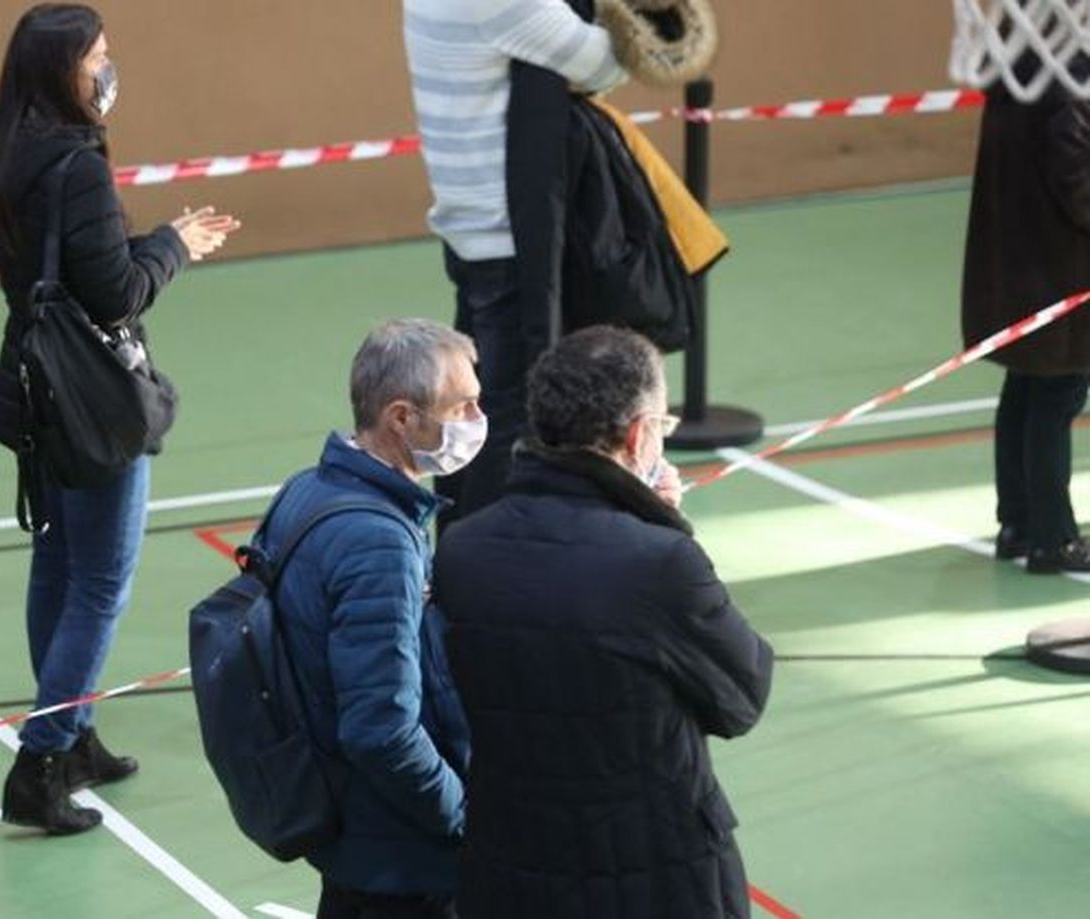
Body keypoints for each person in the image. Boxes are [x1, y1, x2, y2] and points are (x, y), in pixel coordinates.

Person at [0, 3, 239, 834]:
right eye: (97, 58)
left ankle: (72, 735)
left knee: (58, 557)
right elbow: (114, 293)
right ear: (60, 70)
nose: (108, 70)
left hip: (33, 380)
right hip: (90, 395)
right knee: (99, 580)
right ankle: (41, 762)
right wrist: (175, 243)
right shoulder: (76, 165)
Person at [435, 326, 773, 918]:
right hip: (657, 878)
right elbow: (742, 697)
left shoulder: (462, 550)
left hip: (510, 871)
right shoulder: (659, 562)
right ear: (639, 435)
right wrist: (661, 525)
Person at [253, 319, 479, 919]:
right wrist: (463, 814)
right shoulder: (379, 541)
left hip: (349, 834)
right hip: (399, 855)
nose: (477, 419)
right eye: (463, 406)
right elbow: (381, 728)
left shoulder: (306, 490)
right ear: (401, 417)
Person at [403, 0, 627, 526]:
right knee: (508, 415)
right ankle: (478, 564)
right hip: (509, 240)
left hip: (472, 231)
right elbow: (602, 63)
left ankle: (456, 555)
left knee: (461, 413)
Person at [962, 59, 1090, 573]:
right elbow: (1077, 177)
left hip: (1021, 266)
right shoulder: (1070, 80)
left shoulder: (1017, 70)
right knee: (1056, 397)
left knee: (1027, 391)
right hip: (1060, 269)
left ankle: (1017, 523)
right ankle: (1052, 538)